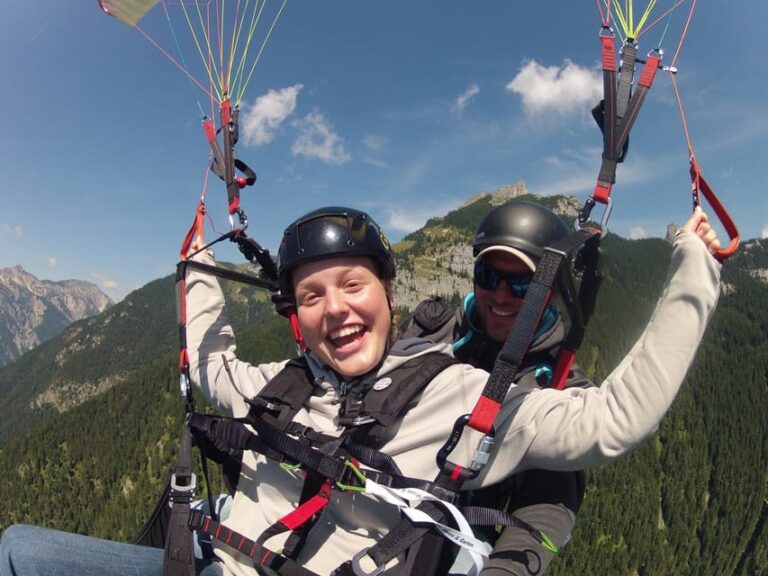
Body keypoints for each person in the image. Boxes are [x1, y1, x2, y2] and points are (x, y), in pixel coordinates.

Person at [0, 204, 721, 576]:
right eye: (313, 295)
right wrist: (196, 264)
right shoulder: (285, 379)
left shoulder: (467, 399)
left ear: (386, 292)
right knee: (20, 550)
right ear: (295, 315)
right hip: (213, 561)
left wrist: (693, 262)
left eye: (352, 285)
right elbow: (208, 366)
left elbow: (616, 421)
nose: (337, 308)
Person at [400, 200, 593, 575]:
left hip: (458, 528)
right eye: (489, 276)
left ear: (550, 293)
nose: (501, 295)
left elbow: (548, 505)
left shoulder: (555, 383)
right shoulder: (430, 329)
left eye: (523, 285)